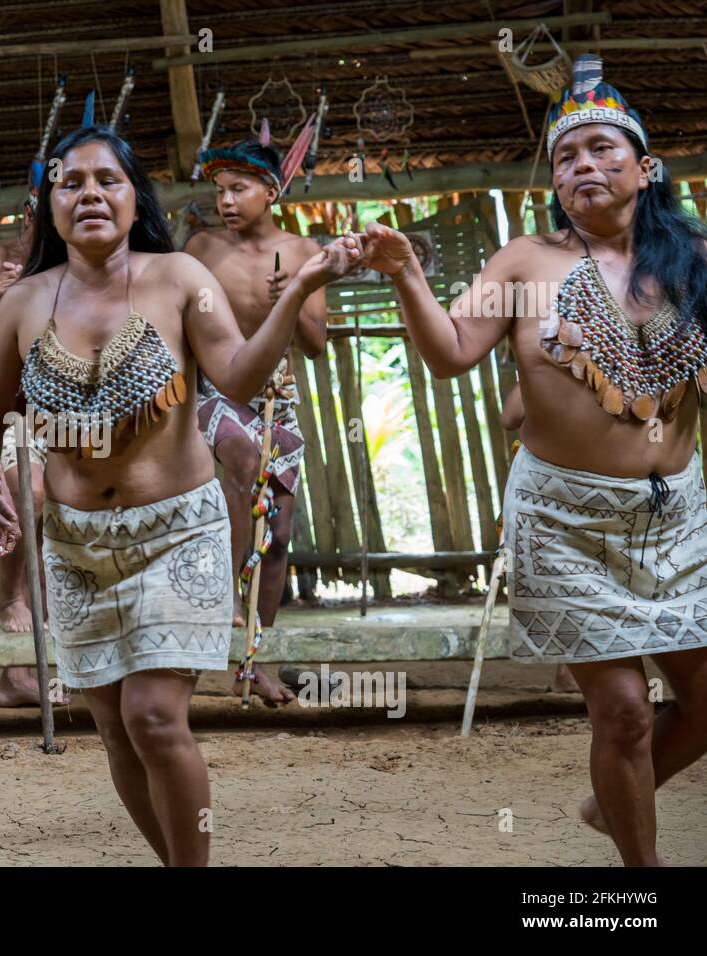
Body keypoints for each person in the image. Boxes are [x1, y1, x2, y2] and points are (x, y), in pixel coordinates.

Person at [0, 122, 358, 865]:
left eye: (107, 180)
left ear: (133, 195)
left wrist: (301, 286)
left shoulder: (179, 278)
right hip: (77, 548)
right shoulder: (22, 304)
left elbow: (238, 377)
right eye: (69, 182)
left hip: (177, 533)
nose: (88, 194)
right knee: (114, 727)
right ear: (48, 204)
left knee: (152, 717)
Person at [352, 55, 707, 866]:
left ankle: (618, 796)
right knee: (619, 710)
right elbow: (448, 353)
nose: (583, 165)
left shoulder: (696, 264)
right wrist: (407, 271)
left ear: (646, 168)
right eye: (566, 156)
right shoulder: (525, 263)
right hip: (563, 520)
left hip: (677, 515)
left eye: (602, 150)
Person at [184, 133, 328, 706]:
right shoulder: (200, 250)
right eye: (219, 190)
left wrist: (292, 296)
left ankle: (253, 658)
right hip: (214, 394)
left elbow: (316, 344)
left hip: (278, 399)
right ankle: (228, 605)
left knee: (281, 536)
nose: (225, 200)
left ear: (271, 191)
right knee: (242, 459)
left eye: (238, 188)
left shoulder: (300, 253)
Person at [0, 173, 56, 707]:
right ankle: (9, 595)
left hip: (44, 415)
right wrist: (0, 301)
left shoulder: (64, 271)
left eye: (41, 216)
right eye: (26, 213)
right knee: (26, 492)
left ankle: (20, 674)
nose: (30, 224)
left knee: (48, 506)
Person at [499, 383, 580, 695]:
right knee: (572, 580)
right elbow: (510, 416)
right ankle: (570, 672)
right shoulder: (554, 359)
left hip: (618, 493)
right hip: (554, 491)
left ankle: (574, 672)